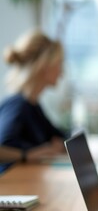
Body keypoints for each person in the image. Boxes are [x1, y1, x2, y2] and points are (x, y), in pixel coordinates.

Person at [0, 30, 67, 173]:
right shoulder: (18, 105)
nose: (61, 72)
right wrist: (28, 154)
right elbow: (3, 144)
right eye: (59, 64)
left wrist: (54, 146)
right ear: (45, 65)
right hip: (12, 184)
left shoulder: (33, 105)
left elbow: (58, 135)